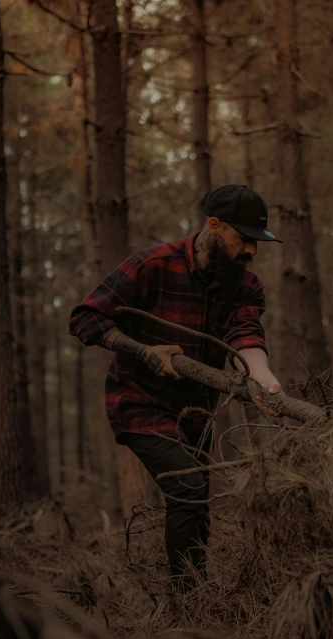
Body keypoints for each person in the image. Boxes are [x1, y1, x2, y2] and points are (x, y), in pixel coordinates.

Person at [69, 184, 283, 590]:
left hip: (197, 411)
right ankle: (186, 604)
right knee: (187, 485)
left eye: (258, 243)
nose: (252, 251)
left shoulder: (246, 284)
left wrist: (263, 377)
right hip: (139, 402)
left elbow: (246, 332)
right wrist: (144, 351)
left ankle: (194, 594)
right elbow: (85, 319)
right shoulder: (152, 264)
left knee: (196, 501)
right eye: (245, 240)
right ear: (214, 226)